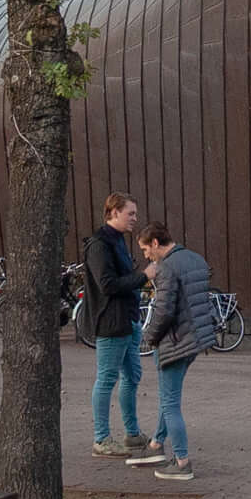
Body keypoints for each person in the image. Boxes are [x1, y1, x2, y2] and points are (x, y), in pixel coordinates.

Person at [132, 219, 216, 484]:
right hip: (195, 339)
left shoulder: (166, 268)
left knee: (170, 404)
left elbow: (164, 311)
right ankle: (156, 445)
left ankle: (182, 462)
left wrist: (149, 338)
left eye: (146, 249)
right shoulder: (196, 259)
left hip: (175, 342)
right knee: (169, 397)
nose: (146, 256)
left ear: (156, 243)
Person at [83, 193, 152, 460]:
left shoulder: (118, 240)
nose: (135, 218)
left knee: (132, 376)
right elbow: (107, 285)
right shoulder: (99, 244)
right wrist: (143, 276)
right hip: (112, 322)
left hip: (129, 319)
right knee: (107, 378)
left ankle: (132, 433)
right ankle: (101, 439)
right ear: (113, 212)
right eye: (130, 213)